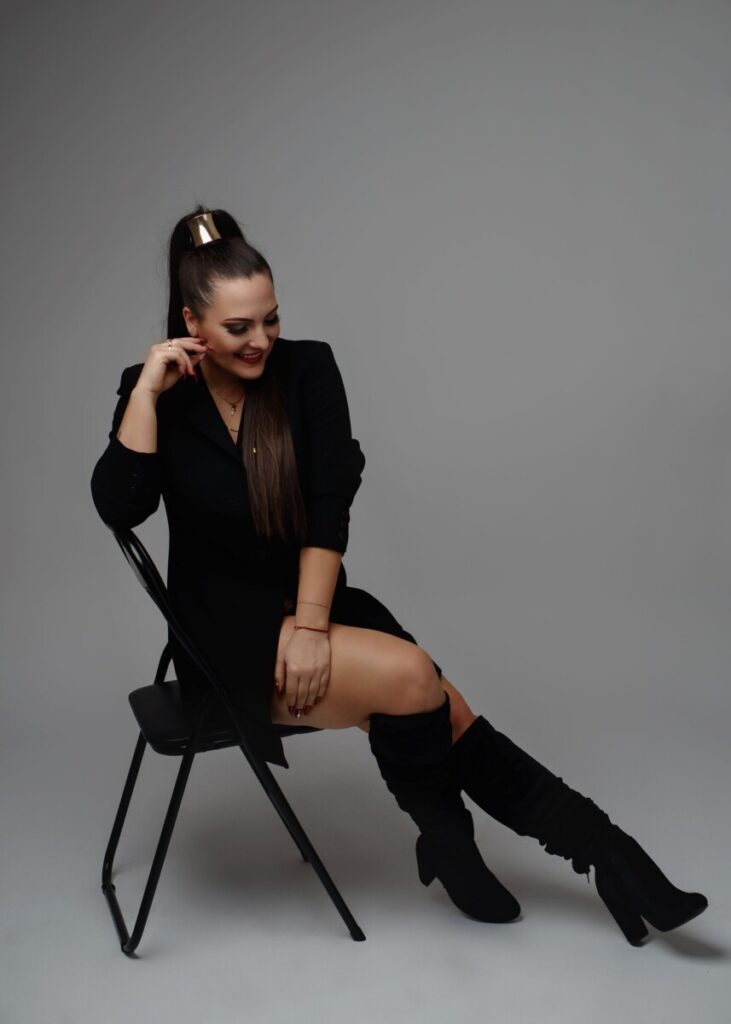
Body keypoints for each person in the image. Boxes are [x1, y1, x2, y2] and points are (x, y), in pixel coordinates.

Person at [91, 205, 709, 944]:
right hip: (224, 635)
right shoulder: (155, 390)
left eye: (271, 319)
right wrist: (146, 393)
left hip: (313, 600)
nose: (261, 339)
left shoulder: (307, 370)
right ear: (192, 321)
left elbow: (328, 506)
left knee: (444, 710)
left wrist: (313, 626)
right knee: (416, 681)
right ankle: (465, 848)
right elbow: (120, 507)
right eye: (237, 327)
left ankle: (607, 858)